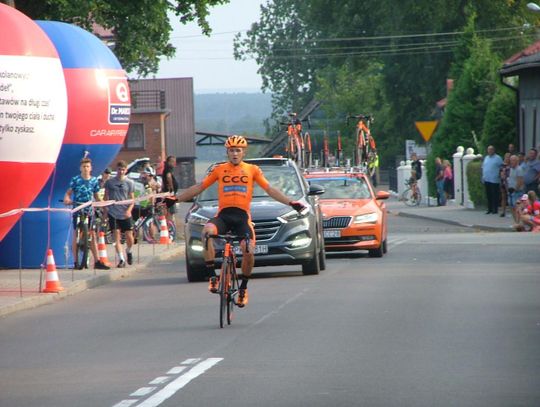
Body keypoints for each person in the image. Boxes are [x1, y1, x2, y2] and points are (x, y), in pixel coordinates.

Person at [175, 135, 306, 307]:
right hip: (223, 216)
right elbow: (199, 187)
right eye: (231, 150)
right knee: (207, 232)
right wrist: (175, 199)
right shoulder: (219, 170)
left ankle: (243, 288)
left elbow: (270, 189)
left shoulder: (252, 170)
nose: (235, 154)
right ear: (227, 153)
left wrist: (291, 202)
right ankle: (213, 276)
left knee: (248, 250)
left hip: (242, 218)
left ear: (243, 152)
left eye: (238, 150)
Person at [63, 158, 110, 270]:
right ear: (80, 168)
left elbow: (97, 196)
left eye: (88, 166)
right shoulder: (75, 180)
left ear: (91, 168)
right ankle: (75, 262)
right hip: (78, 208)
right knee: (75, 234)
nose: (86, 169)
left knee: (92, 234)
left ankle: (97, 261)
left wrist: (103, 205)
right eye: (84, 167)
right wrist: (67, 199)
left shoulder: (94, 181)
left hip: (89, 210)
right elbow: (68, 193)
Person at [104, 160, 135, 268]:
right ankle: (121, 259)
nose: (121, 172)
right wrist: (105, 210)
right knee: (116, 236)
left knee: (129, 237)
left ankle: (129, 250)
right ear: (116, 170)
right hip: (113, 212)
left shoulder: (130, 183)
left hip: (125, 212)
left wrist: (129, 210)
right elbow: (106, 197)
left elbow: (132, 199)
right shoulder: (110, 182)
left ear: (126, 170)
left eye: (123, 170)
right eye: (119, 169)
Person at [481, 145, 503, 215]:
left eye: (491, 150)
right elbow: (483, 167)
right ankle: (489, 209)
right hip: (487, 179)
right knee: (488, 195)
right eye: (488, 150)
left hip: (494, 179)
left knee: (495, 195)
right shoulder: (486, 158)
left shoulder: (498, 158)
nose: (490, 151)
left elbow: (501, 167)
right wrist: (483, 176)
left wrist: (500, 175)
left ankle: (495, 209)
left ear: (494, 150)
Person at [507, 155, 525, 223]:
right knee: (511, 207)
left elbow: (520, 181)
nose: (511, 162)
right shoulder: (511, 169)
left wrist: (515, 189)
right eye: (511, 160)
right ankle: (515, 222)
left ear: (517, 161)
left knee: (517, 208)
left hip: (517, 192)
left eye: (513, 160)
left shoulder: (519, 169)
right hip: (510, 191)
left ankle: (518, 222)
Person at [161, 155, 179, 223]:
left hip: (168, 192)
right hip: (170, 193)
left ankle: (170, 224)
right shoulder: (168, 169)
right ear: (168, 162)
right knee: (171, 211)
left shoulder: (167, 169)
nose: (173, 163)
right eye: (172, 162)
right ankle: (170, 225)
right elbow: (168, 177)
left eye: (174, 162)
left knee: (170, 210)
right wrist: (171, 188)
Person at [498, 153, 511, 217]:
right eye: (506, 157)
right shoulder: (502, 165)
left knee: (510, 197)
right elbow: (500, 173)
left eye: (508, 157)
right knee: (503, 197)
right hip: (503, 182)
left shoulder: (512, 165)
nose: (507, 158)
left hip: (510, 183)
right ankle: (503, 211)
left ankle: (512, 211)